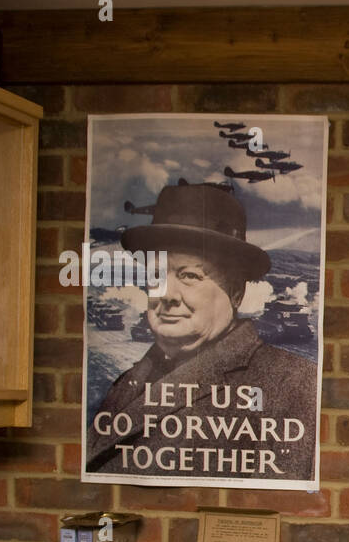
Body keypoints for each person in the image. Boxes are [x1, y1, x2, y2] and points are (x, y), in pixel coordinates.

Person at [85, 181, 316, 481]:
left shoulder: (294, 387)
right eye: (156, 275)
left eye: (189, 275)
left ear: (235, 293)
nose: (166, 294)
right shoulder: (129, 382)